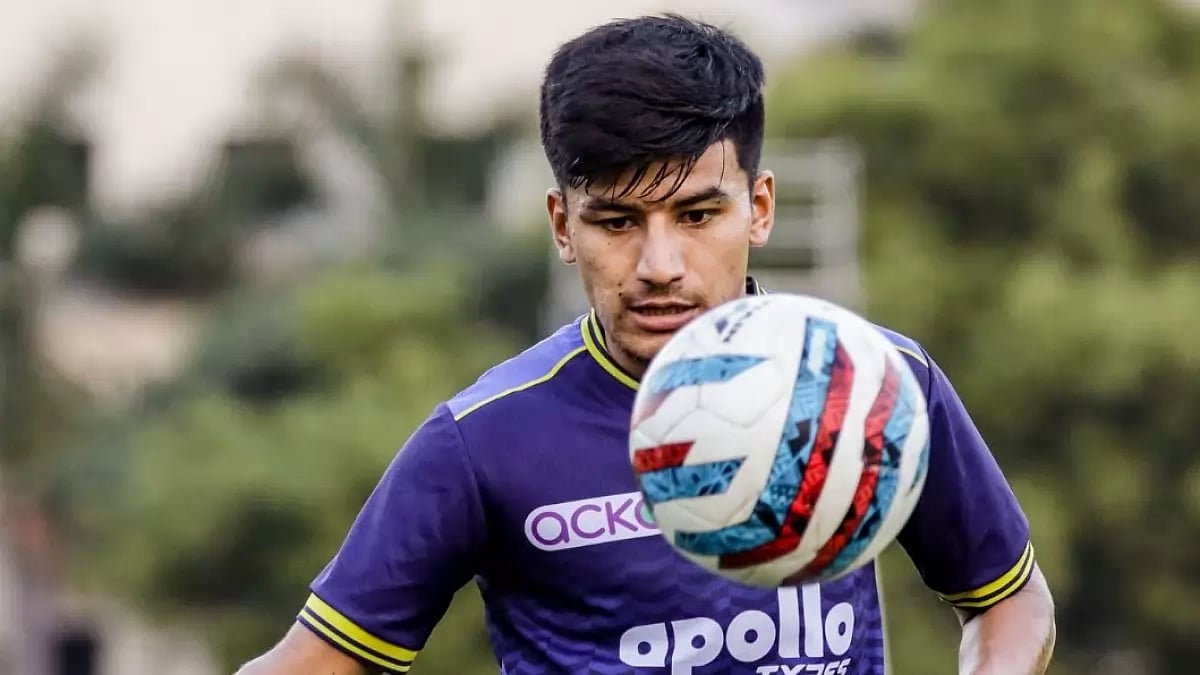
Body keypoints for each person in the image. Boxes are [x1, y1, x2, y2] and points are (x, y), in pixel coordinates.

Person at [236, 14, 1055, 675]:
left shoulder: (875, 384)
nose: (659, 266)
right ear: (564, 225)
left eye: (698, 215)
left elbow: (1012, 601)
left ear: (759, 208)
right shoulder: (482, 442)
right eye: (618, 221)